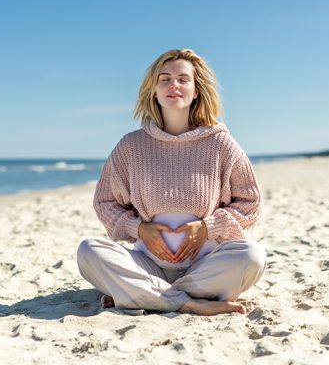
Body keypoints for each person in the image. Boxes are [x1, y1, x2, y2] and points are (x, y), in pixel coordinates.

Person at [77, 49, 266, 316]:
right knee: (88, 251)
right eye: (164, 79)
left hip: (203, 266)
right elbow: (105, 201)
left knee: (252, 256)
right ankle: (187, 302)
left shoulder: (221, 144)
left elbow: (251, 202)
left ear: (196, 90)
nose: (173, 85)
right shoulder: (132, 145)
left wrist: (206, 228)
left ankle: (146, 295)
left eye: (182, 79)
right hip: (147, 263)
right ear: (153, 89)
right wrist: (139, 229)